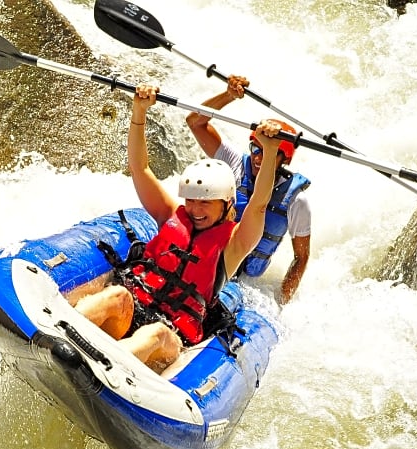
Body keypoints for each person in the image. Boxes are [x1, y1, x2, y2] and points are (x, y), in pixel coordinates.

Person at [74, 84, 283, 372]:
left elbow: (259, 205)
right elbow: (140, 168)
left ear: (226, 204)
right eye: (192, 201)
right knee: (116, 296)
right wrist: (139, 112)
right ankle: (60, 333)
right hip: (135, 303)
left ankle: (105, 368)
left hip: (172, 333)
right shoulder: (170, 214)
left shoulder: (233, 244)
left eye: (206, 204)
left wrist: (270, 151)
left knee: (154, 334)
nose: (195, 210)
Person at [186, 74, 312, 304]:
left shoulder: (297, 201)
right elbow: (195, 121)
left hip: (244, 283)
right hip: (210, 259)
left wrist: (282, 300)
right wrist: (229, 96)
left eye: (267, 151)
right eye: (256, 148)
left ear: (283, 159)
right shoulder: (234, 162)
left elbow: (301, 257)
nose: (258, 157)